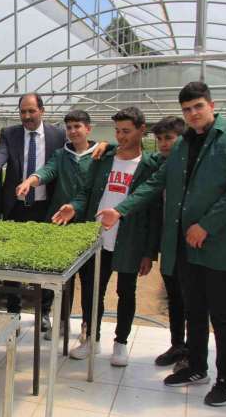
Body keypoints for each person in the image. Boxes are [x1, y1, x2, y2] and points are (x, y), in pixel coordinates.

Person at [98, 82, 226, 406]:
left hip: (220, 243)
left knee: (222, 315)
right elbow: (157, 182)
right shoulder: (184, 144)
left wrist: (205, 226)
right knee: (194, 309)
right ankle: (196, 367)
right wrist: (121, 210)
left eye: (198, 106)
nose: (193, 114)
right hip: (187, 244)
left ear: (212, 105)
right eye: (187, 109)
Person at [54, 107, 160, 367]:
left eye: (126, 131)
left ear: (141, 130)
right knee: (91, 291)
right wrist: (74, 206)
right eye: (117, 131)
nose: (121, 136)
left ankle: (121, 343)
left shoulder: (149, 165)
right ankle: (92, 339)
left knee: (126, 292)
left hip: (129, 240)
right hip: (97, 238)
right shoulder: (103, 158)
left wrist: (149, 252)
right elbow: (86, 192)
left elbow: (153, 212)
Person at [0, 93, 66, 329]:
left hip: (45, 208)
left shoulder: (58, 135)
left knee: (45, 260)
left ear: (42, 111)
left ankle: (44, 311)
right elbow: (1, 154)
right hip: (16, 207)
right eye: (23, 111)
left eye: (31, 111)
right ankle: (13, 310)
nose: (26, 116)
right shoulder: (10, 133)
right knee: (12, 261)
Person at [16, 109, 99, 340]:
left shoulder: (100, 153)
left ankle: (89, 328)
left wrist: (106, 146)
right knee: (62, 279)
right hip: (62, 224)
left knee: (90, 280)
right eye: (69, 128)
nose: (73, 132)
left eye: (77, 127)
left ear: (88, 129)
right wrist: (30, 181)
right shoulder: (62, 154)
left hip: (90, 223)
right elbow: (47, 170)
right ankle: (62, 322)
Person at [148, 116, 190, 371]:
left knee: (192, 299)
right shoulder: (160, 164)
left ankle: (192, 352)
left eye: (169, 138)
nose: (163, 144)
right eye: (159, 139)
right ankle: (177, 345)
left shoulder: (190, 166)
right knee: (174, 295)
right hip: (170, 241)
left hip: (190, 243)